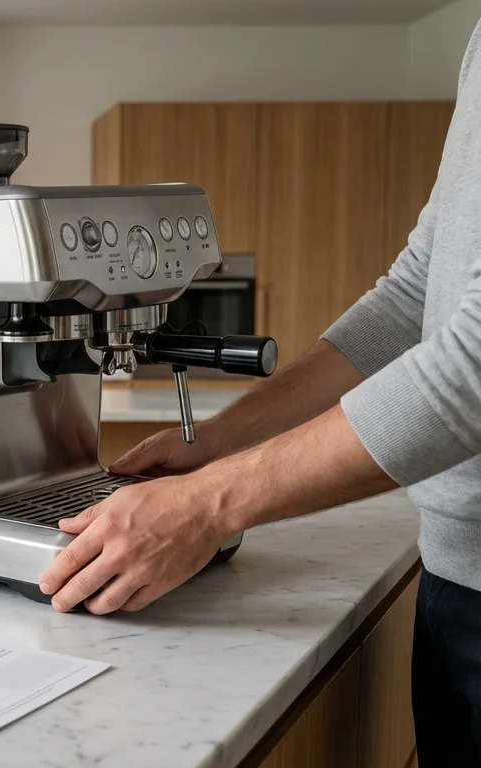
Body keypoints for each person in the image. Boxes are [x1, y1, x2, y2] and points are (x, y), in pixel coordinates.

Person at [37, 21, 481, 765]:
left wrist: (208, 503)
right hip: (455, 576)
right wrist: (219, 442)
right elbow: (414, 295)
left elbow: (473, 369)